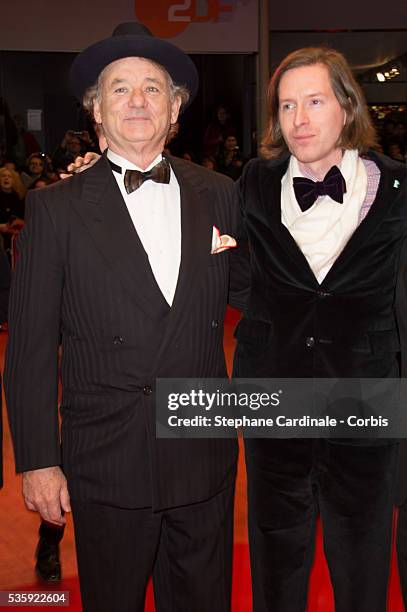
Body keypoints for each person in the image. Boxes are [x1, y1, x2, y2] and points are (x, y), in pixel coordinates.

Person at [5, 21, 247, 612]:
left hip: (201, 453)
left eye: (152, 88)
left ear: (175, 110)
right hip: (106, 459)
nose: (136, 101)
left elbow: (264, 299)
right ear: (95, 111)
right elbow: (30, 346)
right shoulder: (54, 208)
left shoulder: (220, 193)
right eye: (119, 89)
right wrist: (39, 460)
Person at [233, 46, 407, 612]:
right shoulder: (253, 183)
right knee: (275, 568)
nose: (299, 119)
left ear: (348, 107)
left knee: (362, 568)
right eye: (286, 106)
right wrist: (99, 165)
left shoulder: (400, 190)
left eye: (314, 101)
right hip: (273, 405)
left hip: (366, 407)